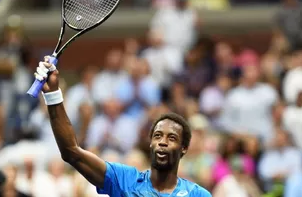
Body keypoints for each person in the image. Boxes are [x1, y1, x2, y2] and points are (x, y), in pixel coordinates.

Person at [33, 56, 212, 197]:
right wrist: (53, 95)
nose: (162, 142)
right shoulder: (124, 179)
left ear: (184, 149)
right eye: (157, 136)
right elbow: (71, 152)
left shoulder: (197, 194)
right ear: (150, 143)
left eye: (171, 138)